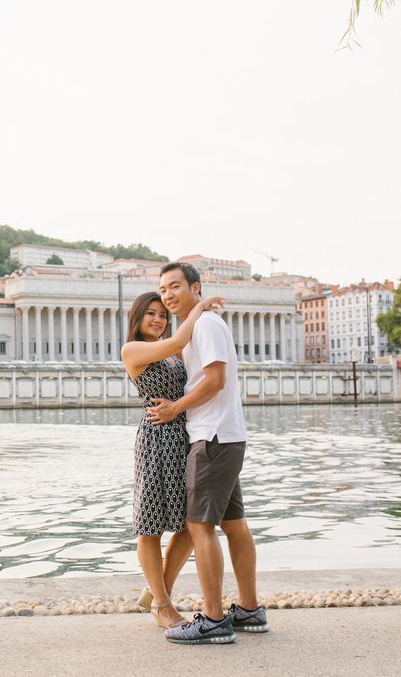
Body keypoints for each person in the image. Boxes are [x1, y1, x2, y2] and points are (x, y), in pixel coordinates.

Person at [147, 262, 268, 645]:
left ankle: (214, 618)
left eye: (175, 287)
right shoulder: (198, 325)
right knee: (234, 524)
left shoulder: (206, 325)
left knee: (200, 525)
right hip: (225, 434)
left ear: (195, 287)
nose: (167, 295)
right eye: (163, 289)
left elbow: (215, 381)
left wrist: (175, 408)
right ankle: (249, 609)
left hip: (211, 436)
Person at [120, 290, 224, 631]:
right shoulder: (133, 350)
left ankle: (155, 591)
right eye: (150, 313)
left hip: (183, 436)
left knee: (190, 524)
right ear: (137, 318)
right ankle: (163, 605)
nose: (157, 319)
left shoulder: (173, 356)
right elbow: (182, 337)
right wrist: (200, 305)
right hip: (155, 440)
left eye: (162, 314)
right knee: (150, 525)